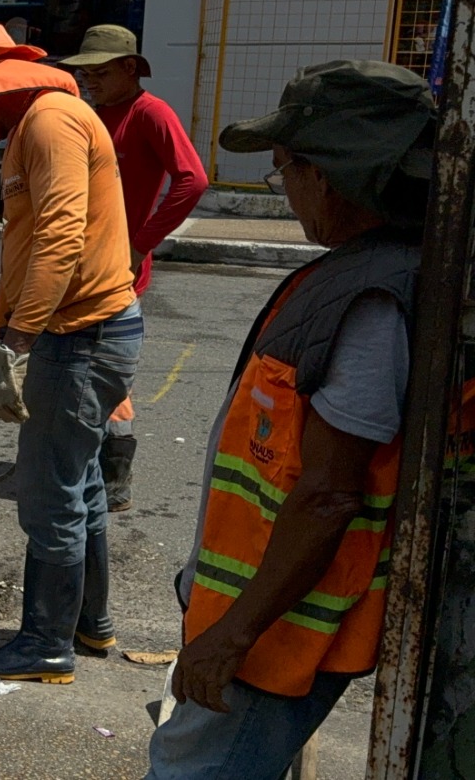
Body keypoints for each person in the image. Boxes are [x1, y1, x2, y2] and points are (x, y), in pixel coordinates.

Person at [147, 61, 434, 779]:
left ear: (330, 173)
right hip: (262, 624)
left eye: (285, 171)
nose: (289, 192)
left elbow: (329, 494)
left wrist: (232, 636)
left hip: (274, 635)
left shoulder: (372, 297)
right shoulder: (363, 272)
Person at [0, 23, 141, 683]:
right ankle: (87, 624)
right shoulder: (36, 126)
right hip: (77, 333)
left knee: (49, 498)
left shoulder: (50, 122)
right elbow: (20, 262)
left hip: (78, 338)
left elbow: (60, 237)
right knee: (82, 485)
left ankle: (46, 647)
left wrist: (17, 345)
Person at [60, 24, 209, 513]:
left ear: (130, 68)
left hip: (117, 272)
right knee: (77, 367)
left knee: (108, 374)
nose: (90, 82)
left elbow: (193, 180)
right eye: (85, 74)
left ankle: (115, 473)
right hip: (79, 267)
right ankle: (80, 461)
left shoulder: (151, 113)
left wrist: (139, 246)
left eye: (100, 73)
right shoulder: (93, 114)